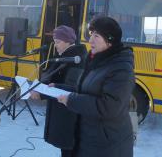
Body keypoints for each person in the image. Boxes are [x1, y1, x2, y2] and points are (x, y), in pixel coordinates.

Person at [57, 16, 135, 157]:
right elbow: (84, 91)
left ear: (109, 41)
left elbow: (109, 107)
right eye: (91, 34)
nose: (90, 40)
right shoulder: (95, 59)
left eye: (97, 35)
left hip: (107, 145)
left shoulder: (121, 68)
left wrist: (71, 100)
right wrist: (58, 88)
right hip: (88, 138)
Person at [31, 25, 87, 157]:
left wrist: (41, 94)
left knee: (69, 150)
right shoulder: (64, 57)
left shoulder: (76, 60)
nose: (55, 46)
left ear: (68, 41)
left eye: (58, 42)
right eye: (54, 42)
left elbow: (69, 89)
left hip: (68, 117)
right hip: (62, 114)